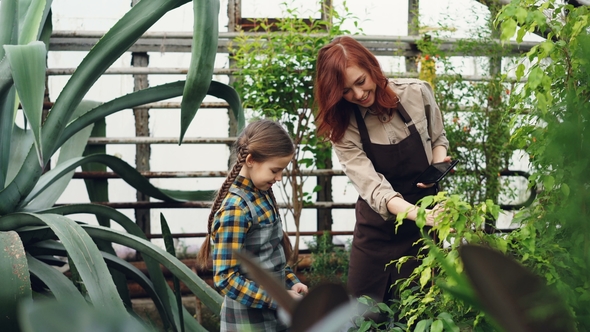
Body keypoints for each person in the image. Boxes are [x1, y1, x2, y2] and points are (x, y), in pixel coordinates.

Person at [314, 36, 450, 312]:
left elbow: (439, 140)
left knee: (420, 313)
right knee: (363, 316)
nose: (358, 94)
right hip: (377, 232)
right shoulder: (343, 128)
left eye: (361, 81)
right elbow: (376, 189)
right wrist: (421, 214)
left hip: (425, 229)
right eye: (346, 91)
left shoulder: (418, 93)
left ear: (371, 67)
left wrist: (435, 175)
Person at [197, 120, 308, 331]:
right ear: (250, 160)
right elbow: (226, 279)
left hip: (274, 319)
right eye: (275, 170)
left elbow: (270, 257)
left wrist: (291, 282)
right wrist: (279, 297)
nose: (279, 177)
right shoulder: (236, 209)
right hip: (247, 323)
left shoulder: (262, 195)